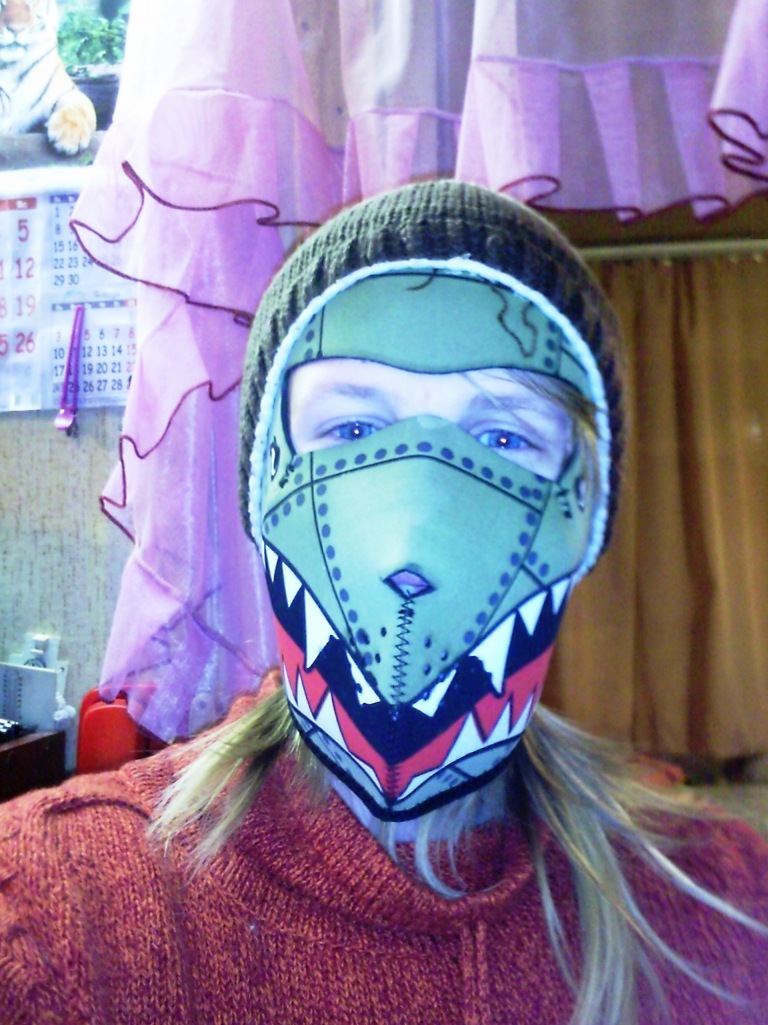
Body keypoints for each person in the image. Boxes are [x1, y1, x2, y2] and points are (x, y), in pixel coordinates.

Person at [1, 180, 766, 1025]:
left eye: (503, 437)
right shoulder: (53, 910)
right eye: (353, 430)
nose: (411, 543)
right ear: (263, 486)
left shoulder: (726, 911)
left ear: (587, 516)